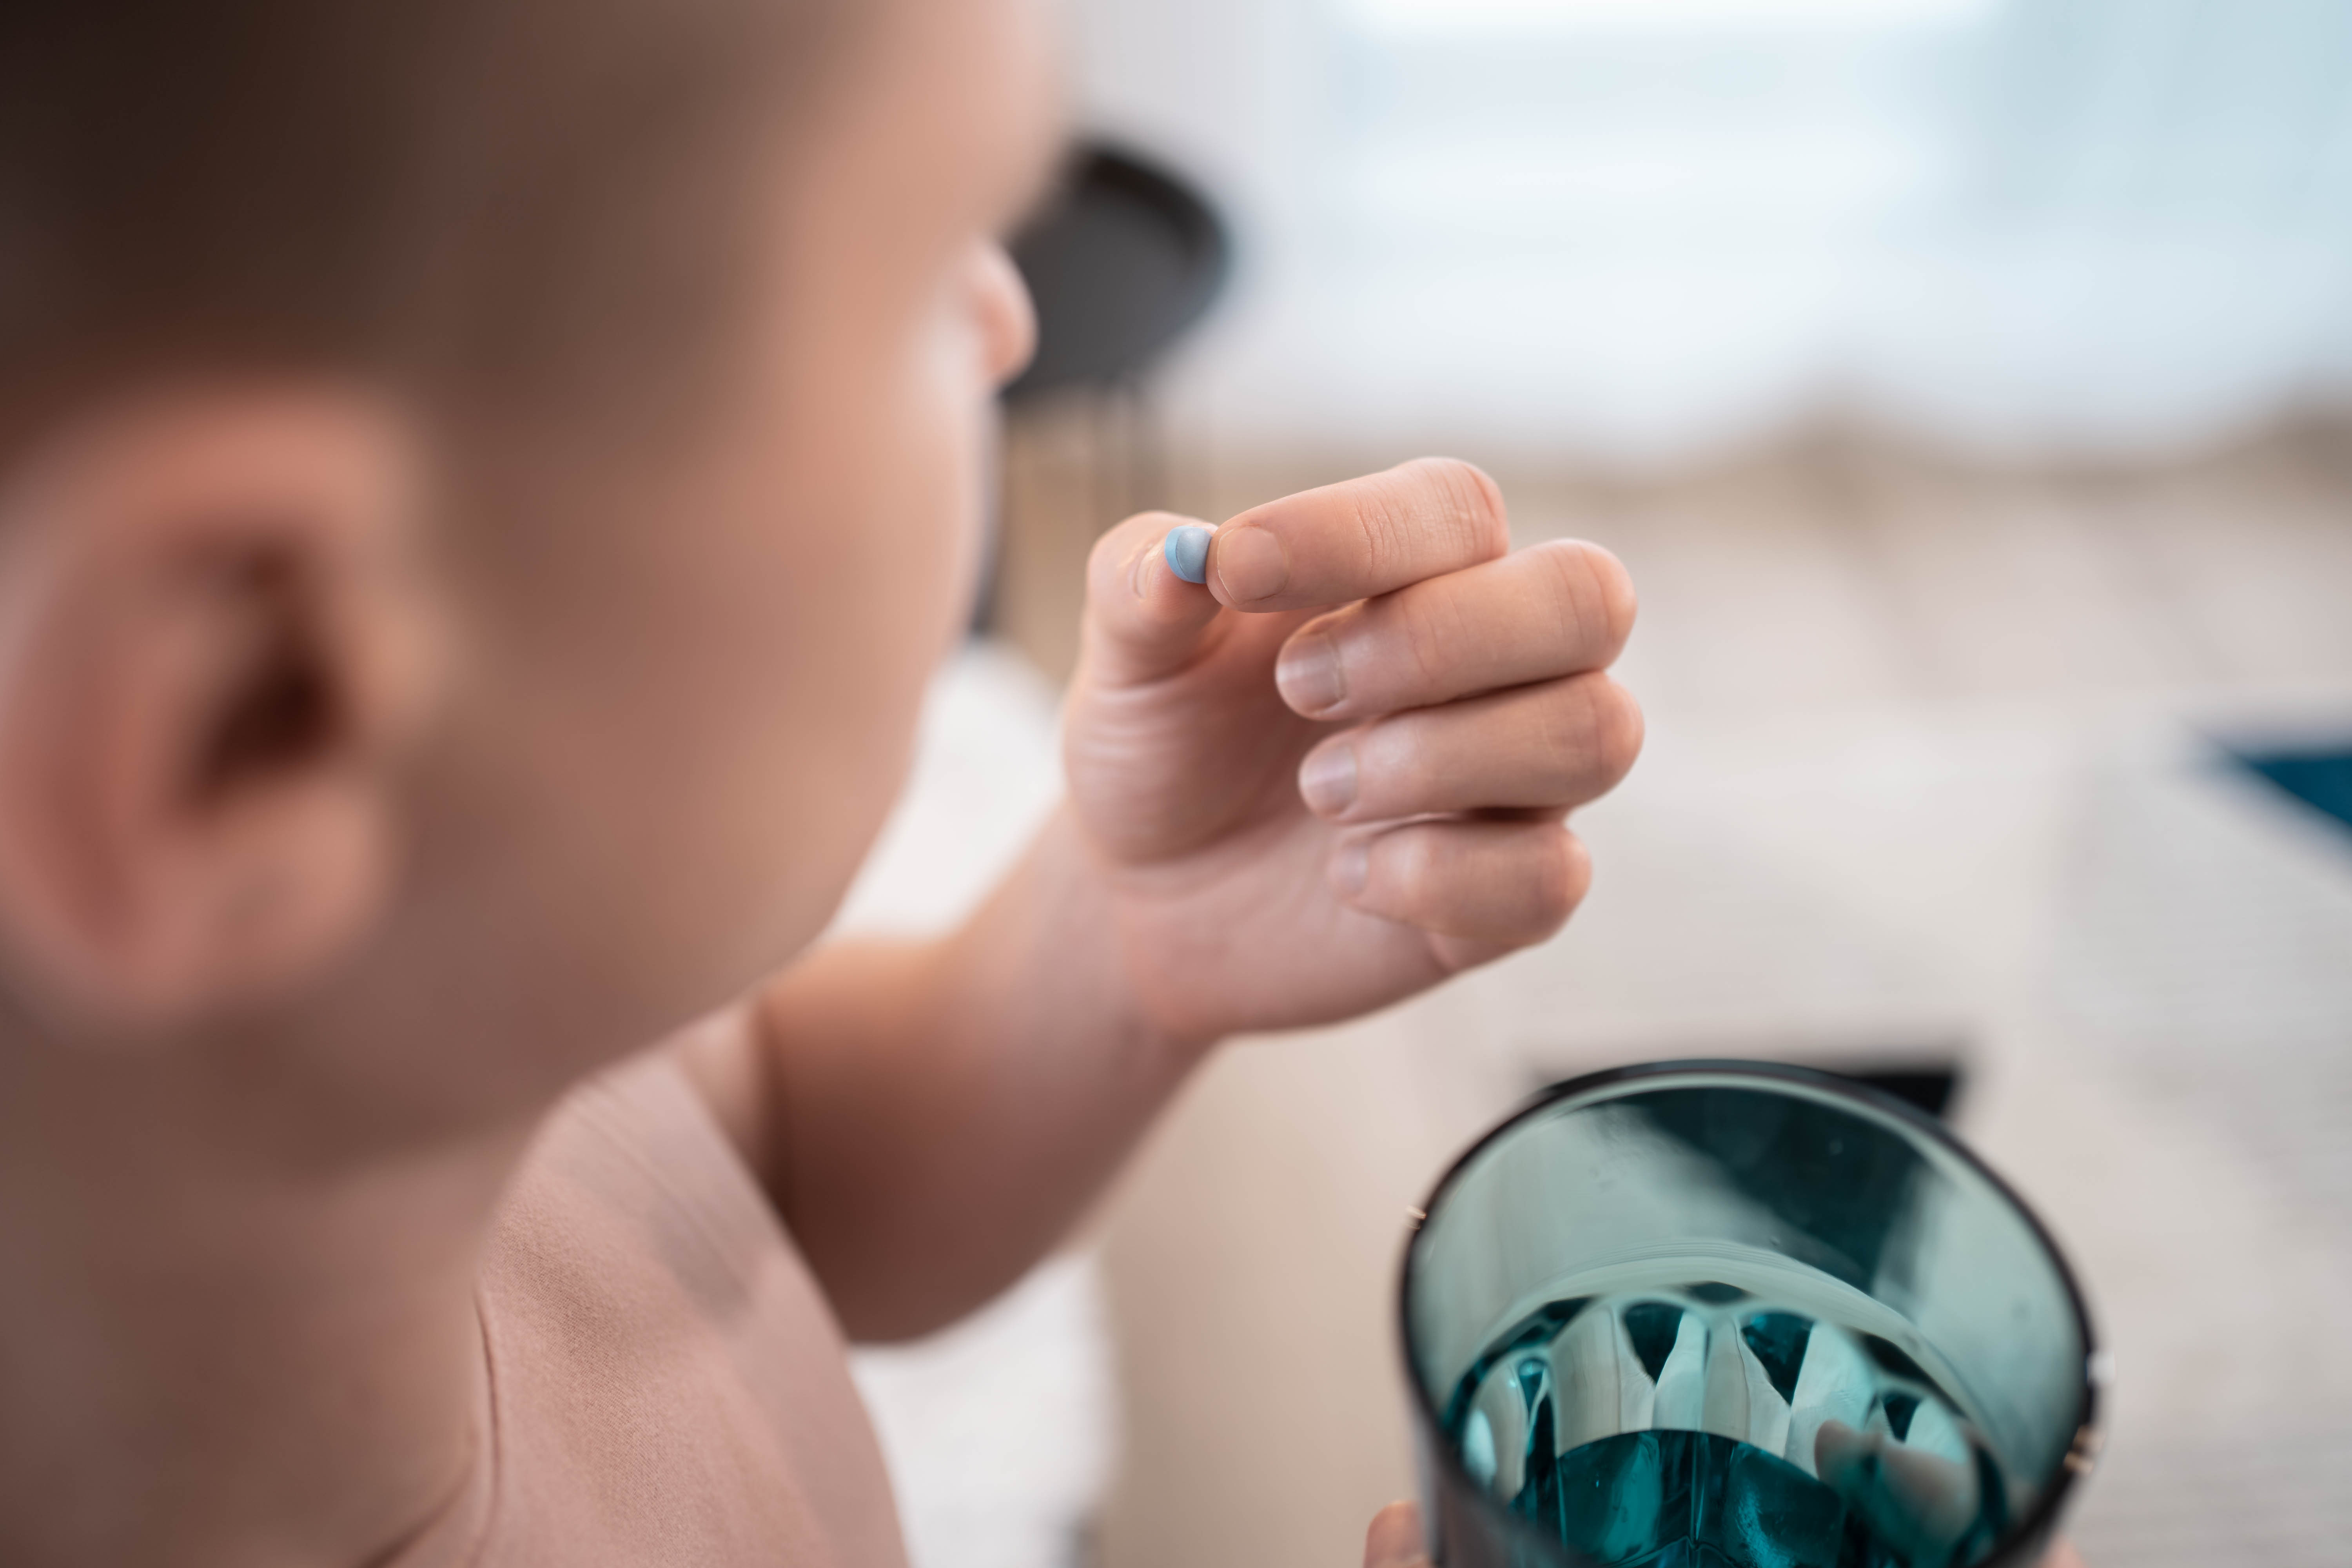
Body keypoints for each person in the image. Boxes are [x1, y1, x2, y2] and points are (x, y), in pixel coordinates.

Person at [0, 2, 2051, 1566]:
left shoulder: (435, 1047)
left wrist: (1124, 939)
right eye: (924, 267)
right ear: (251, 713)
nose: (1004, 326)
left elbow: (780, 1163)